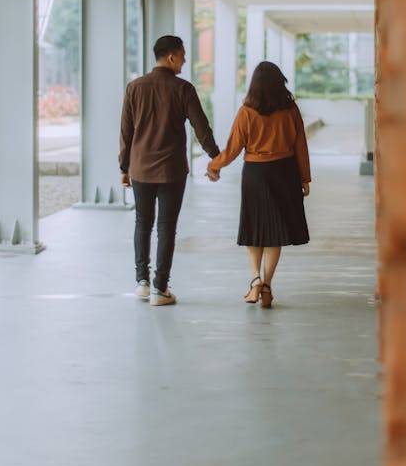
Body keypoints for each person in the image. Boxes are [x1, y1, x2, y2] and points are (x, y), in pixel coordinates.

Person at [119, 35, 220, 306]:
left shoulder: (135, 88)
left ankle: (141, 282)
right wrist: (216, 158)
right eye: (183, 55)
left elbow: (126, 132)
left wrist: (124, 166)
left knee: (142, 222)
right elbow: (202, 128)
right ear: (172, 56)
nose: (185, 60)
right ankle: (159, 288)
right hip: (171, 171)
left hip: (140, 168)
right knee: (166, 227)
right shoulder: (183, 89)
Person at [207, 61, 311, 308]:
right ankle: (266, 285)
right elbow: (300, 145)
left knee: (254, 228)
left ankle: (254, 280)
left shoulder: (247, 111)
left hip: (255, 174)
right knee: (274, 233)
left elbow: (233, 147)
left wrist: (215, 166)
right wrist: (304, 178)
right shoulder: (290, 109)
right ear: (279, 82)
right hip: (284, 172)